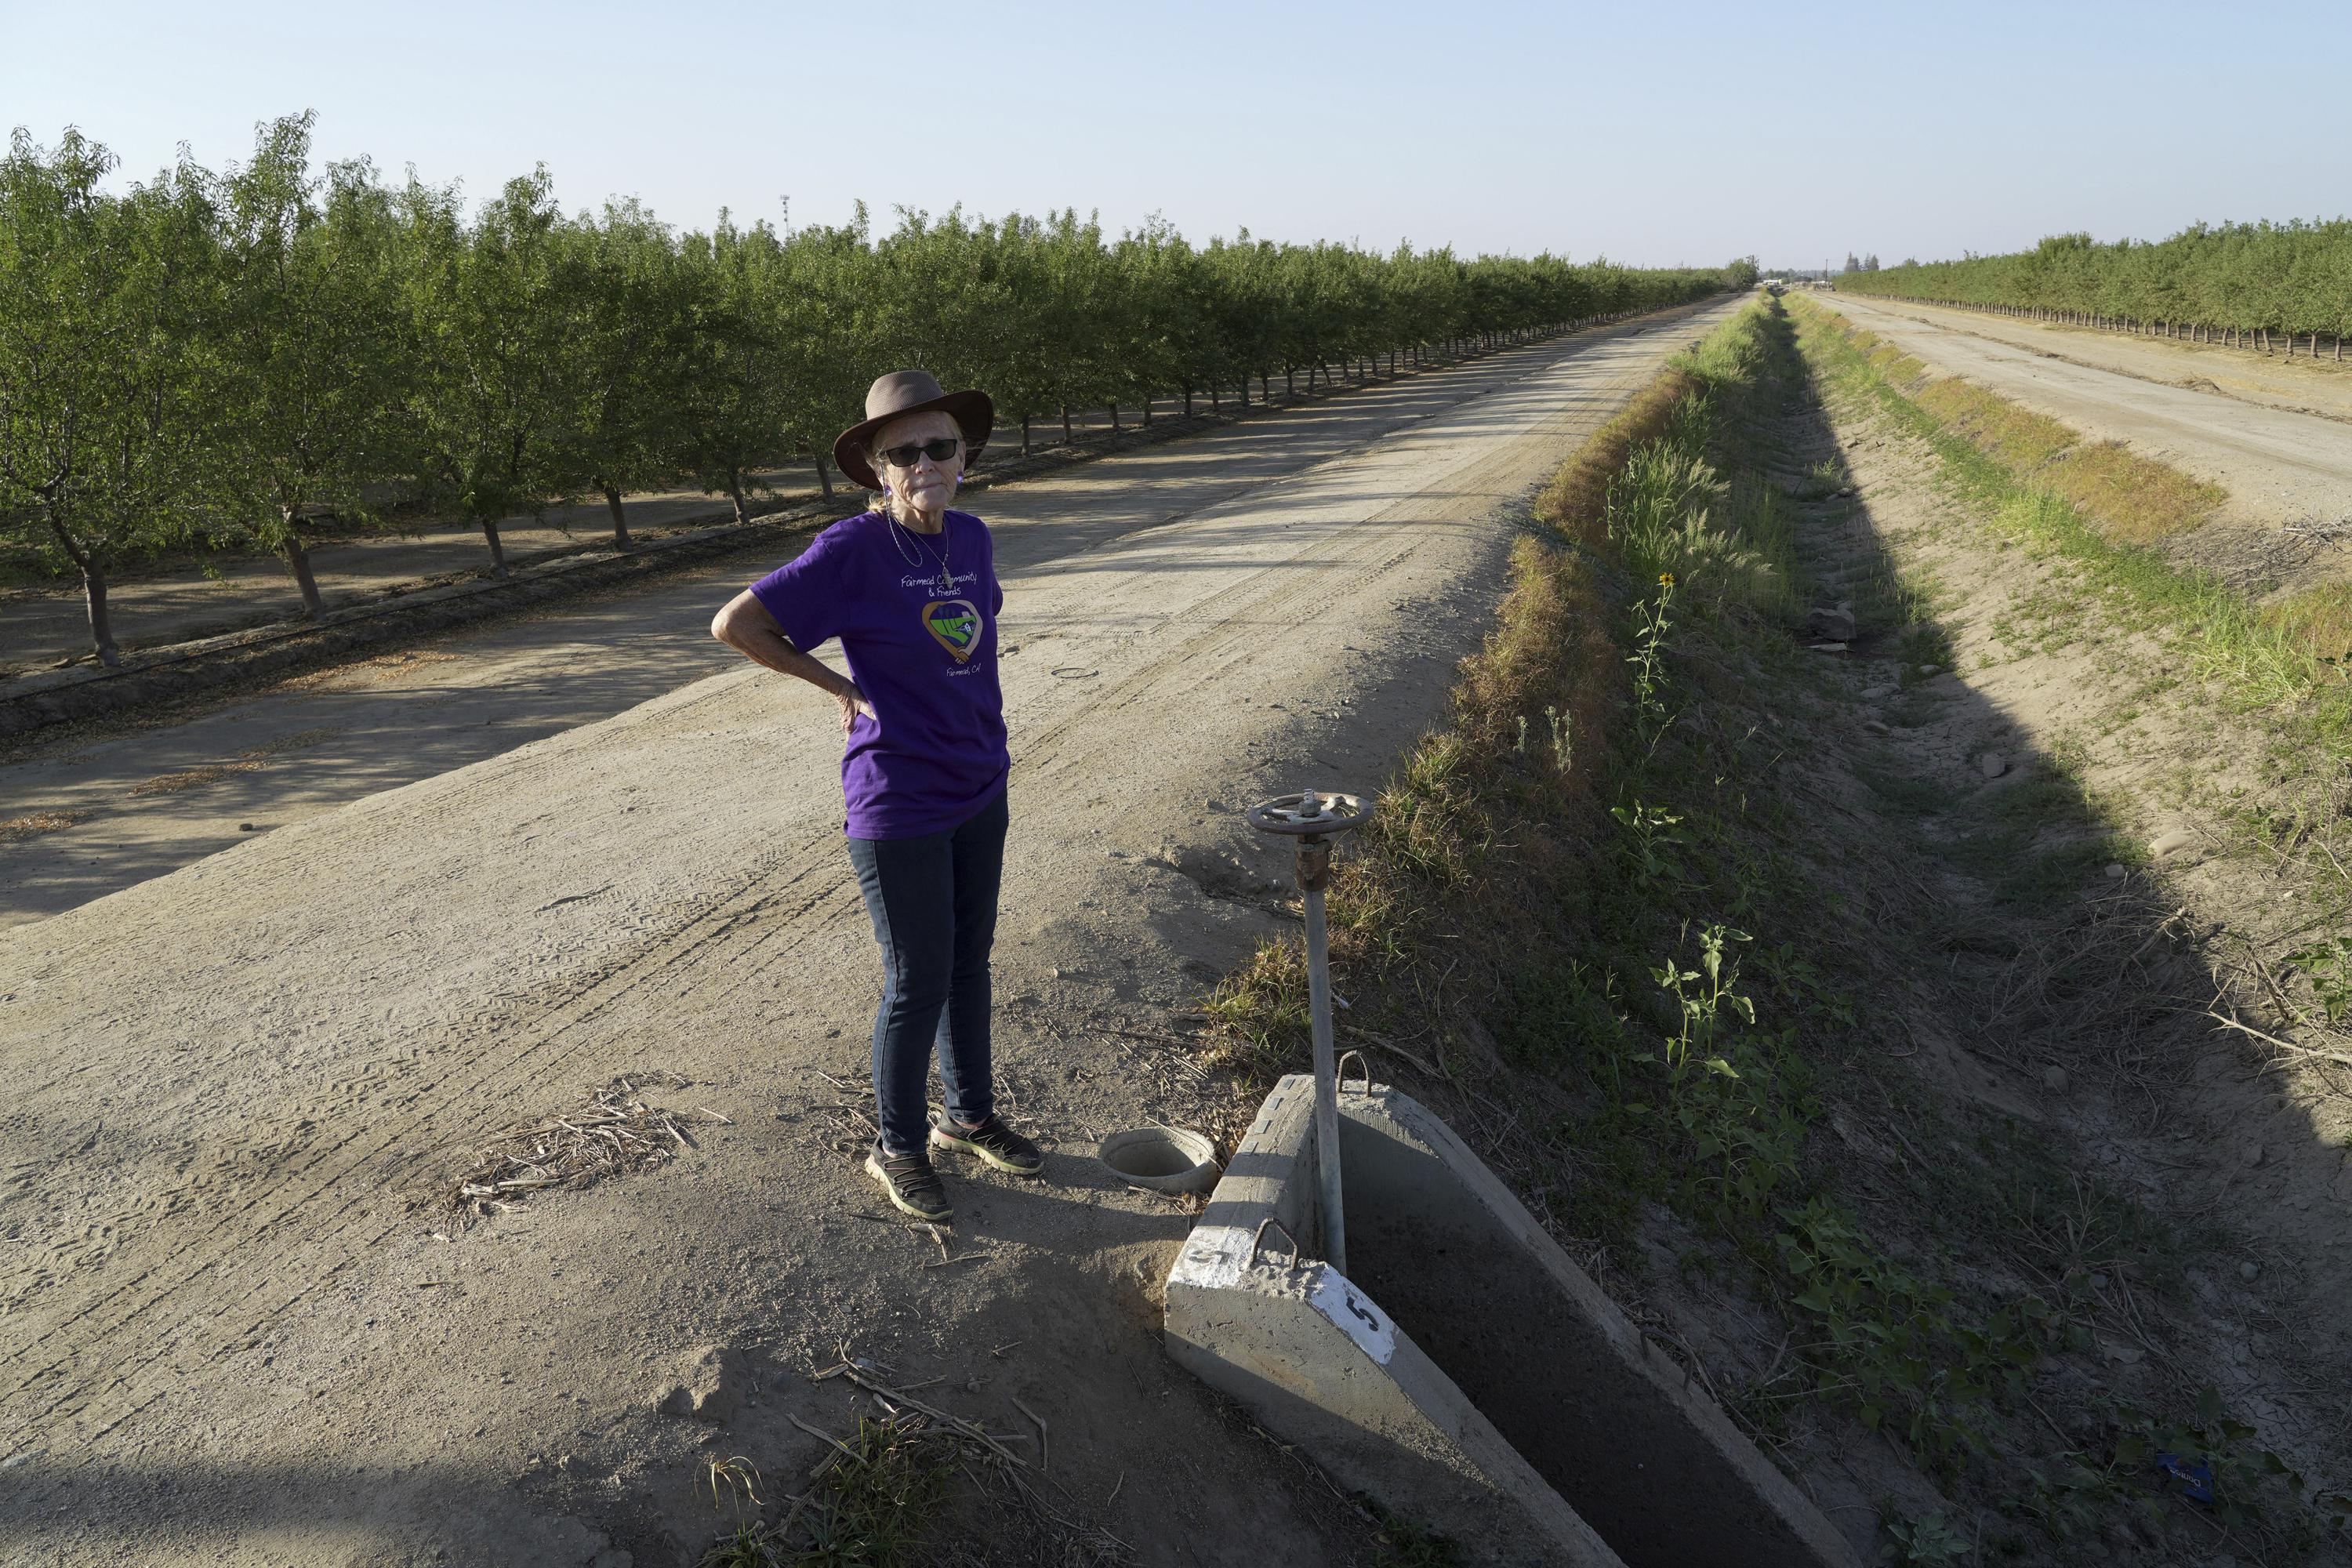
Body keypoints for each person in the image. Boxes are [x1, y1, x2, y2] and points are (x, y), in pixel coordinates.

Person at [710, 370, 1043, 1222]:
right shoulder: (850, 554)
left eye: (942, 445)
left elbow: (977, 629)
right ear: (878, 469)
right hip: (898, 800)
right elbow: (737, 624)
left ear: (964, 455)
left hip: (979, 781)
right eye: (906, 452)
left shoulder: (971, 539)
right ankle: (897, 1146)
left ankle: (968, 1115)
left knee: (970, 962)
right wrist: (838, 686)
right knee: (916, 977)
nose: (927, 461)